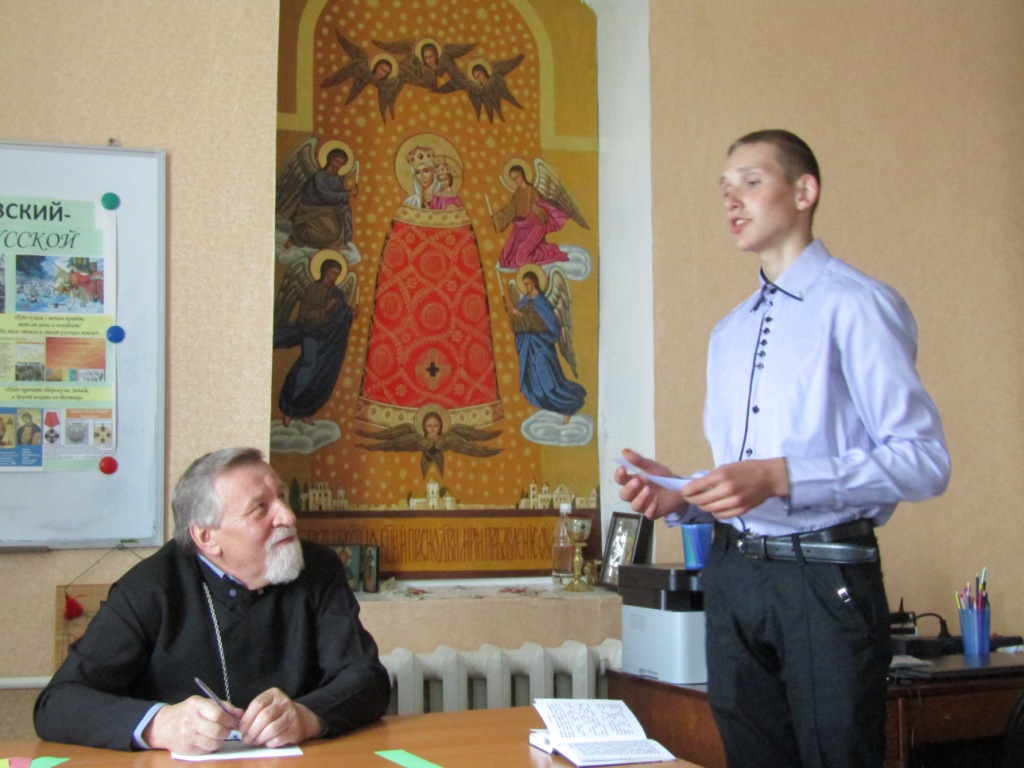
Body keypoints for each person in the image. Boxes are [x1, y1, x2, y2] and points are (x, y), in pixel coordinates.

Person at [615, 130, 950, 768]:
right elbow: (749, 477)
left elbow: (924, 460)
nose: (731, 199)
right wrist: (685, 495)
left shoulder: (858, 305)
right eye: (724, 188)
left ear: (804, 191)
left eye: (751, 181)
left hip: (823, 578)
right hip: (733, 576)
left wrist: (781, 476)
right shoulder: (728, 333)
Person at [34, 447, 390, 754]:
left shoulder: (318, 568)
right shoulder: (149, 589)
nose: (288, 516)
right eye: (260, 508)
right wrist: (159, 724)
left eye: (282, 497)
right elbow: (57, 704)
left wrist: (307, 716)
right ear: (206, 537)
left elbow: (367, 679)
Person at [274, 257, 357, 426]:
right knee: (307, 366)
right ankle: (288, 410)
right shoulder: (313, 289)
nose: (335, 276)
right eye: (333, 272)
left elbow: (342, 313)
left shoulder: (337, 293)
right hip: (310, 334)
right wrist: (326, 309)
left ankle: (304, 411)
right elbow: (304, 317)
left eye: (338, 273)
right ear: (325, 271)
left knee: (319, 373)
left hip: (327, 338)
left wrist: (351, 313)